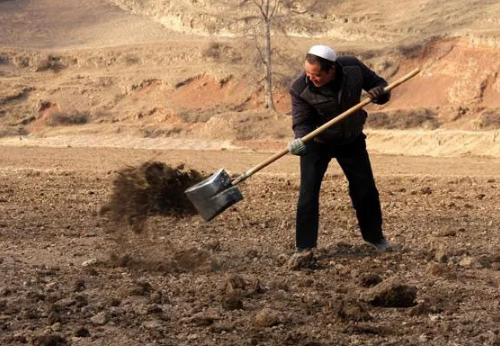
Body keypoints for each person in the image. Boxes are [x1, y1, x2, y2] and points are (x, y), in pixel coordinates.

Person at [287, 44, 392, 253]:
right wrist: (300, 139)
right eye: (307, 73)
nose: (310, 78)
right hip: (317, 143)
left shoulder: (353, 67)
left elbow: (380, 85)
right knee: (308, 194)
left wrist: (379, 93)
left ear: (331, 70)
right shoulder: (299, 88)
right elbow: (302, 122)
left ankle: (375, 238)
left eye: (316, 75)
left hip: (351, 140)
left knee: (365, 190)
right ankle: (305, 248)